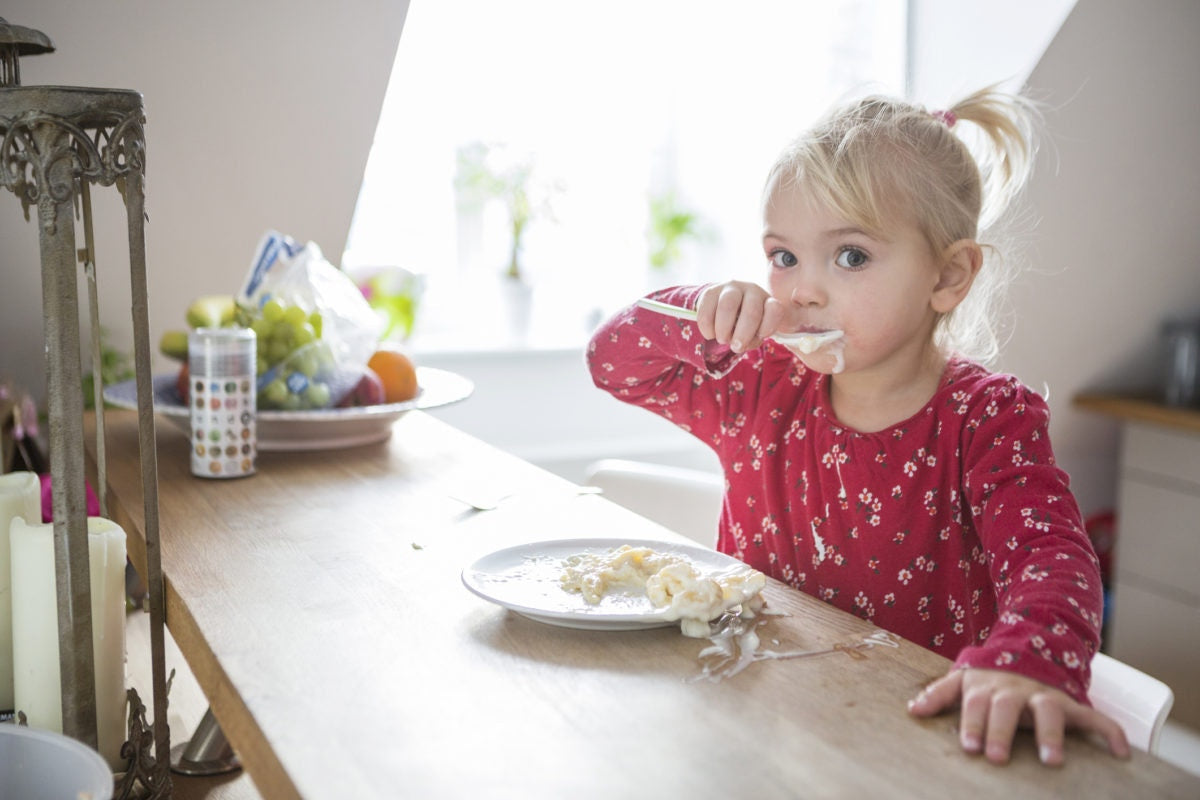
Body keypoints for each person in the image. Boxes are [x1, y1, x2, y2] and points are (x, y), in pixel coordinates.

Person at [586, 86, 1131, 767]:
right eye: (783, 257)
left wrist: (1026, 661)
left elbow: (1052, 559)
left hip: (918, 749)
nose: (802, 290)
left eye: (849, 257)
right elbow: (612, 361)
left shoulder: (988, 419)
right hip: (758, 723)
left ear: (949, 274)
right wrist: (699, 311)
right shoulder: (757, 384)